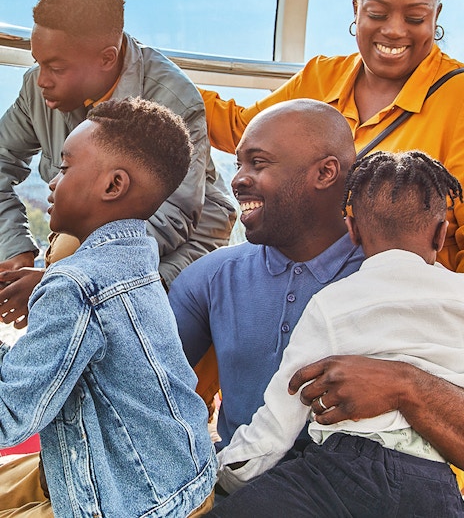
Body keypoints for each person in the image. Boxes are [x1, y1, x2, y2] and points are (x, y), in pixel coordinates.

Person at [209, 150, 464, 517]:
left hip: (337, 474)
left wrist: (226, 473)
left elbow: (279, 423)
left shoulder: (332, 303)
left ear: (354, 230)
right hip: (432, 487)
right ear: (441, 234)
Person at [0, 96, 216, 518]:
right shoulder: (136, 258)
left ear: (113, 186)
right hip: (186, 480)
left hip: (135, 505)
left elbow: (9, 417)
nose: (52, 183)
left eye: (63, 168)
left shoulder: (75, 286)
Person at [200, 0, 464, 273]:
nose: (394, 30)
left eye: (414, 18)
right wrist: (146, 74)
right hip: (308, 277)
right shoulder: (322, 77)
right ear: (356, 9)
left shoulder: (458, 97)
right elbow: (241, 129)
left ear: (435, 15)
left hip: (405, 298)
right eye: (377, 13)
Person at [0, 0, 235, 330]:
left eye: (56, 67)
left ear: (107, 58)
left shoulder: (174, 99)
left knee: (114, 325)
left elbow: (172, 218)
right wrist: (15, 250)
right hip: (80, 250)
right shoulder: (39, 89)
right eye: (38, 62)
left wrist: (62, 279)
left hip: (176, 248)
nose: (41, 79)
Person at [169, 99, 365, 451]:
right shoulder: (210, 278)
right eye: (239, 163)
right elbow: (141, 388)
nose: (239, 179)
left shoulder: (388, 278)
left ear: (325, 173)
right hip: (233, 488)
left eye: (258, 163)